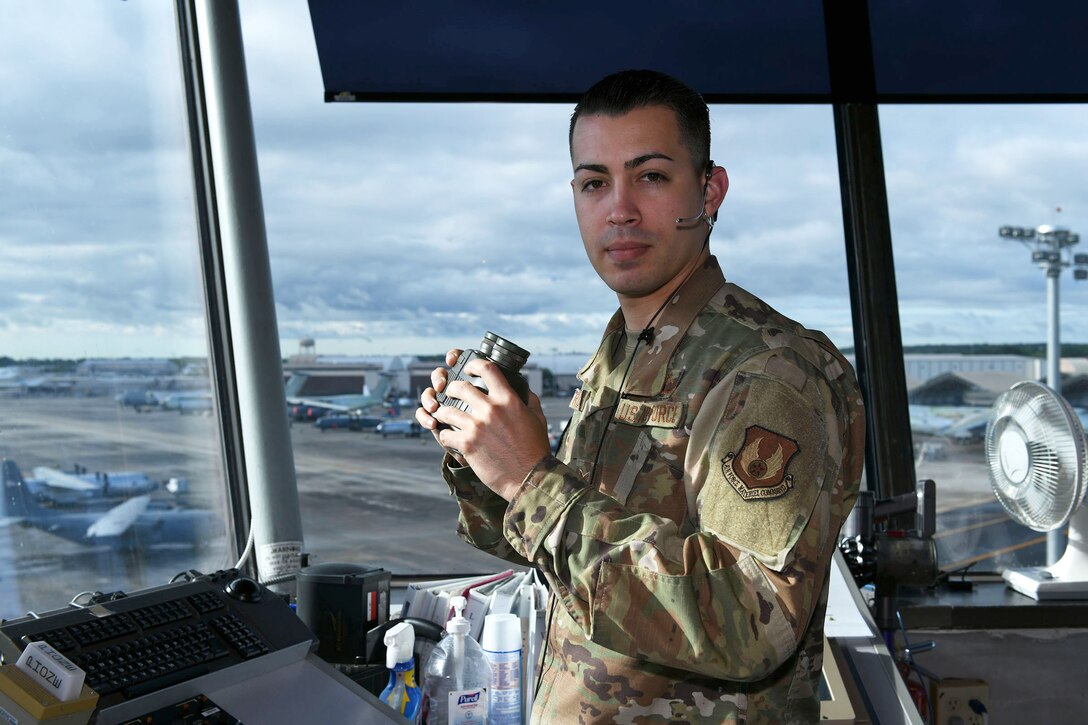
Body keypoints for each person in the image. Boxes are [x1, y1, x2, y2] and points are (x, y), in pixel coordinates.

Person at [416, 69, 864, 724]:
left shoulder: (767, 374)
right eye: (595, 182)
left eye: (650, 176)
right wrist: (484, 457)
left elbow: (750, 621)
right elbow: (555, 548)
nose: (619, 207)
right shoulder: (625, 355)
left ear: (709, 192)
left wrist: (533, 480)